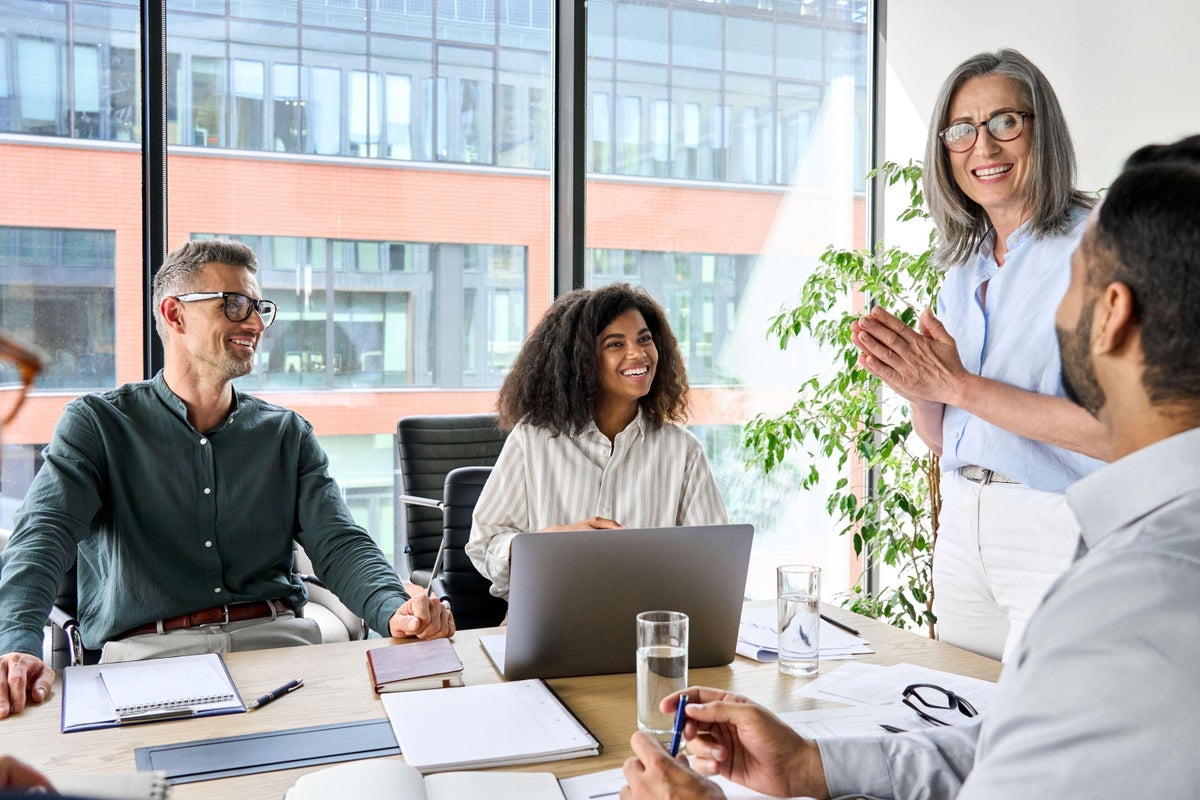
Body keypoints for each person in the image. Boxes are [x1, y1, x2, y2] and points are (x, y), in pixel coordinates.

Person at [620, 135, 1200, 800]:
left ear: (1113, 317)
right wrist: (814, 765)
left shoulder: (1132, 600)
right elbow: (1024, 741)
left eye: (1071, 278)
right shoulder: (1146, 564)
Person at [0, 239, 453, 719]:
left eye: (259, 308)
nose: (255, 324)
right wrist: (17, 642)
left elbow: (340, 544)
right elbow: (41, 538)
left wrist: (393, 609)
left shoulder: (286, 433)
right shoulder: (98, 425)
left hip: (281, 649)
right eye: (235, 305)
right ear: (174, 315)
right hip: (147, 660)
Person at [849, 49, 1107, 661]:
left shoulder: (1102, 248)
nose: (982, 147)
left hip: (1058, 525)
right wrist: (920, 388)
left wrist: (957, 385)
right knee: (960, 722)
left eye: (1005, 123)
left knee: (1042, 744)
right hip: (964, 526)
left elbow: (1122, 434)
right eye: (962, 130)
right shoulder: (961, 266)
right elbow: (950, 439)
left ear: (1043, 131)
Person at [466, 283, 728, 599]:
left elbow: (717, 562)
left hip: (648, 625)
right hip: (550, 621)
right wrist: (548, 542)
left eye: (644, 339)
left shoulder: (683, 451)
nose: (638, 353)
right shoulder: (533, 439)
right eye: (615, 344)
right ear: (581, 360)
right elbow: (485, 543)